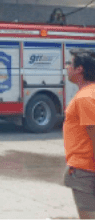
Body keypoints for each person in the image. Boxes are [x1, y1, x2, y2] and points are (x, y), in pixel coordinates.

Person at [63, 49, 95, 219]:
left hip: (86, 170)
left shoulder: (85, 98)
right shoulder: (90, 93)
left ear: (79, 69)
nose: (66, 67)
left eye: (69, 63)